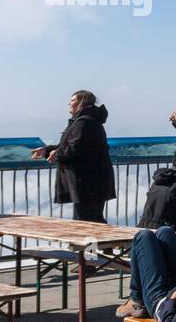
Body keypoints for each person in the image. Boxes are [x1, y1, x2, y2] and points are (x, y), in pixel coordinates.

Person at [30, 90, 115, 223]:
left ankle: (91, 244)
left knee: (86, 222)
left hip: (88, 182)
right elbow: (70, 144)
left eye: (73, 101)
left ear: (82, 103)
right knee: (93, 220)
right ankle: (101, 244)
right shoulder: (86, 121)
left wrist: (56, 153)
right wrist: (46, 150)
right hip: (93, 181)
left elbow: (75, 148)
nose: (69, 103)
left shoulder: (84, 122)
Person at [116, 225, 176, 318]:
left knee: (143, 236)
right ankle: (135, 297)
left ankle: (136, 299)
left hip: (170, 304)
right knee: (164, 232)